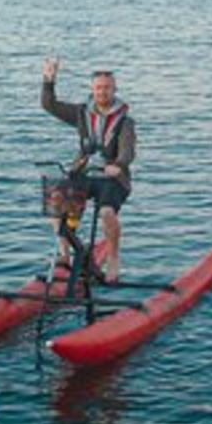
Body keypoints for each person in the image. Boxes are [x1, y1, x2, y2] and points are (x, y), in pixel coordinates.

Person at [41, 58, 134, 283]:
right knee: (56, 204)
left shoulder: (125, 121)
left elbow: (128, 151)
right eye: (99, 88)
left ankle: (113, 260)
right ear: (92, 90)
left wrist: (118, 165)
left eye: (107, 88)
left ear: (114, 90)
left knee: (106, 213)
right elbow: (49, 105)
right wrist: (48, 81)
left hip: (113, 178)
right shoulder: (82, 113)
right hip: (84, 174)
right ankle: (66, 254)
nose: (102, 92)